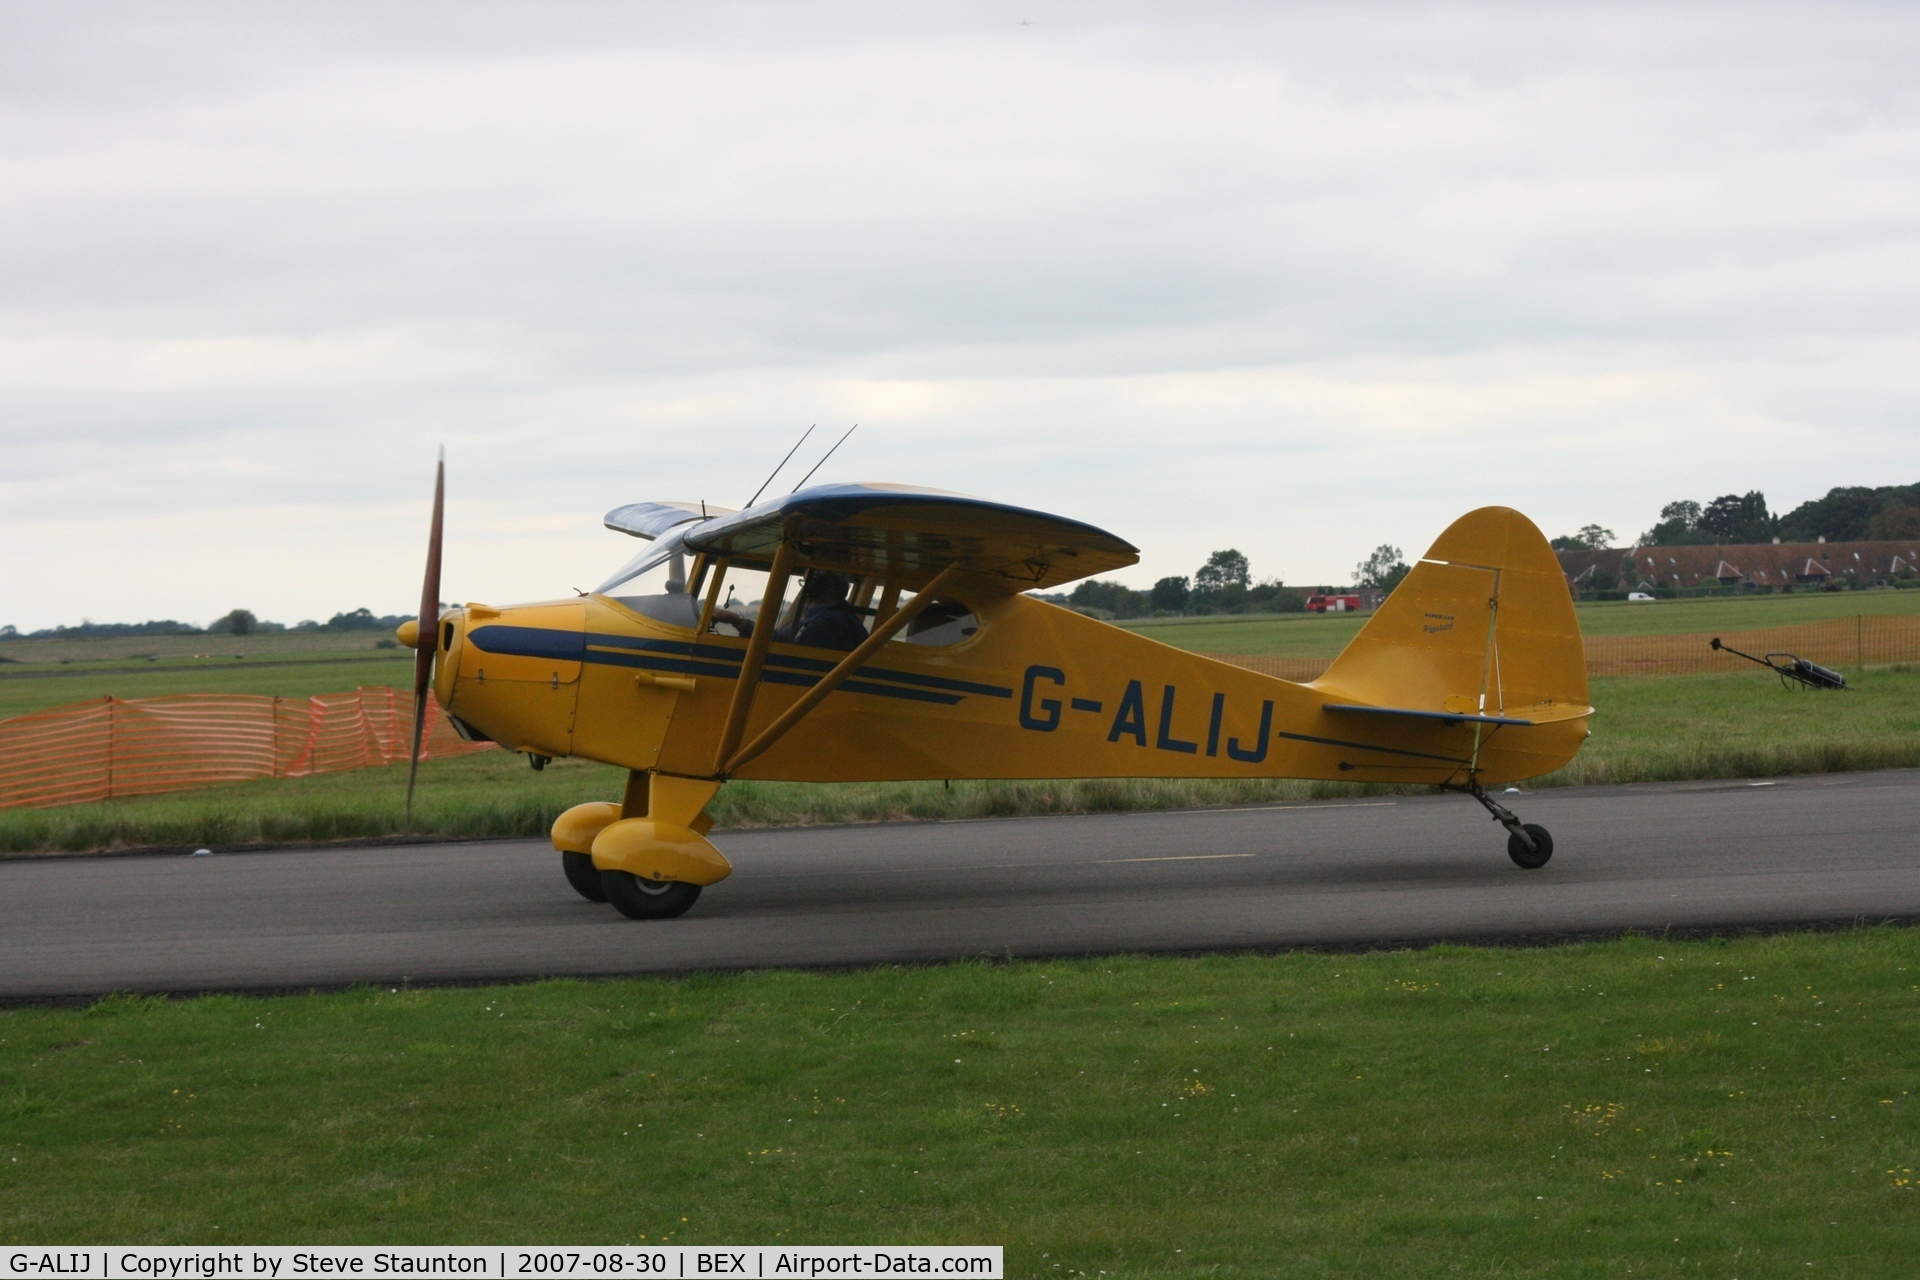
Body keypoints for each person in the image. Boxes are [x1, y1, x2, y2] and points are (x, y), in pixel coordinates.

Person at [712, 570, 869, 651]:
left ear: (816, 587)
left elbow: (789, 651)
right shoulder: (833, 617)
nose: (805, 588)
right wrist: (736, 620)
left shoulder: (827, 622)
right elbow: (780, 638)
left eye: (807, 583)